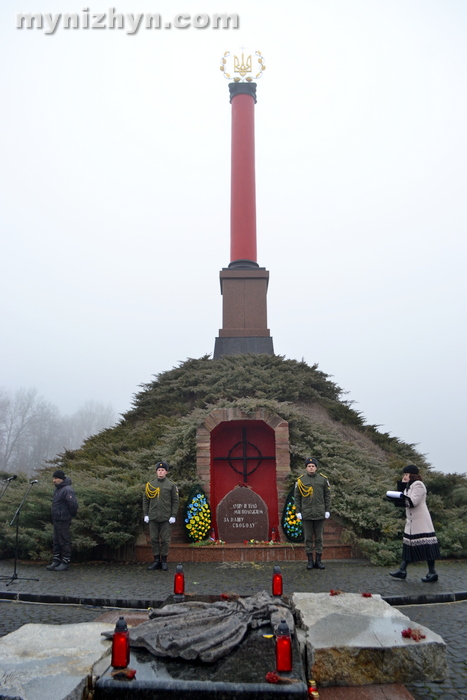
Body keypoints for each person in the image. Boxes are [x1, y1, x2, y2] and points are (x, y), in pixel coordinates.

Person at [389, 465, 441, 583]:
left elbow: (412, 502)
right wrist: (400, 488)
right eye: (404, 475)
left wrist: (400, 497)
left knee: (427, 546)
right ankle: (402, 570)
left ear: (412, 475)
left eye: (406, 475)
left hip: (421, 521)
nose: (404, 477)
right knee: (408, 546)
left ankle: (432, 572)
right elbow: (402, 500)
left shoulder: (418, 485)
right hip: (411, 522)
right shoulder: (409, 486)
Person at [294, 457, 331, 570]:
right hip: (307, 514)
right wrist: (298, 512)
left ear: (316, 467)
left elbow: (327, 496)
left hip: (319, 513)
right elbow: (297, 497)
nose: (311, 468)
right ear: (306, 468)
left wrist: (327, 510)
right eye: (309, 466)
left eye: (313, 466)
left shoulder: (323, 480)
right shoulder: (301, 481)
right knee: (308, 538)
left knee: (319, 538)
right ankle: (310, 561)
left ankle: (318, 561)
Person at [143, 461, 179, 571]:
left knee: (165, 540)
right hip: (153, 517)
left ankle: (164, 561)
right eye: (159, 470)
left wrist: (173, 515)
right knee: (153, 539)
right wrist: (146, 514)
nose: (160, 472)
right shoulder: (150, 485)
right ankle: (156, 561)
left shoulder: (171, 485)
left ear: (166, 472)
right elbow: (145, 500)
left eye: (163, 470)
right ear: (156, 472)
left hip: (166, 517)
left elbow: (175, 501)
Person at [46, 469, 78, 571]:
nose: (54, 480)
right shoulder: (57, 490)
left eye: (56, 478)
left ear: (61, 479)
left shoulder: (67, 490)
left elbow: (73, 504)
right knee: (56, 540)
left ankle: (65, 561)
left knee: (64, 541)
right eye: (53, 478)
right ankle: (56, 560)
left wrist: (70, 515)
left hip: (64, 519)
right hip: (56, 519)